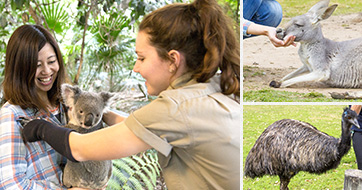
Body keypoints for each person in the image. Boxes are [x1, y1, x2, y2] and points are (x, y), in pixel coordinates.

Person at [20, 0, 240, 189]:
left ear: (173, 60)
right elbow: (139, 126)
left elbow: (80, 148)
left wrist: (41, 128)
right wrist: (99, 113)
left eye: (141, 58)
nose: (136, 68)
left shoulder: (175, 107)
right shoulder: (213, 85)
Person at [0, 25, 68, 189]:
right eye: (37, 65)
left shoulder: (65, 104)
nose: (47, 71)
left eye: (51, 61)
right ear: (20, 69)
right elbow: (12, 185)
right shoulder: (13, 115)